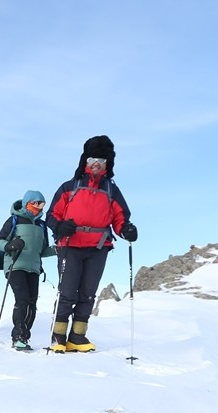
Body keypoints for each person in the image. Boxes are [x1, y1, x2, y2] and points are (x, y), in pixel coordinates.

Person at [46, 135, 137, 352]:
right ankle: (58, 336)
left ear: (108, 163)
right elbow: (52, 214)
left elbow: (120, 218)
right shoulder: (70, 187)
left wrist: (126, 229)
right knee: (68, 292)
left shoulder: (111, 190)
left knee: (88, 293)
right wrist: (59, 227)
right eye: (92, 158)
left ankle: (77, 337)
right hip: (70, 244)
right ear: (85, 161)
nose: (96, 163)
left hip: (98, 247)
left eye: (102, 160)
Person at [0, 190, 56, 350]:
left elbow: (42, 250)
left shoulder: (41, 225)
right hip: (15, 265)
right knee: (23, 299)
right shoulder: (14, 219)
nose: (39, 206)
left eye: (42, 203)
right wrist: (9, 246)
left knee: (32, 303)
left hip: (34, 268)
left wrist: (57, 250)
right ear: (27, 203)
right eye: (36, 202)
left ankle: (25, 337)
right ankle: (18, 336)